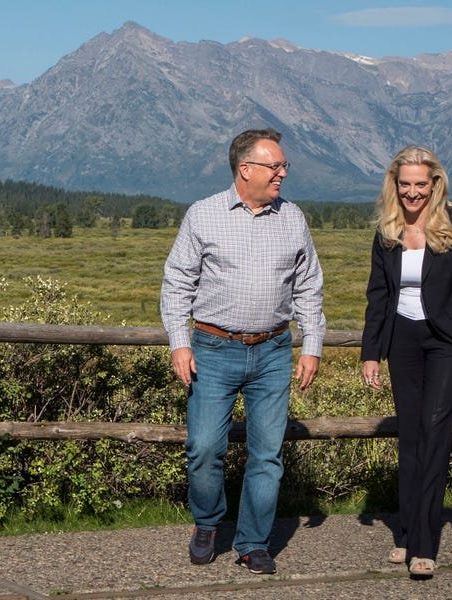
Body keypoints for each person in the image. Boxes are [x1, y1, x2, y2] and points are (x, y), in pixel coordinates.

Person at [160, 128, 325, 575]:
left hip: (273, 350)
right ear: (245, 169)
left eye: (283, 165)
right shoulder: (204, 215)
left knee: (267, 454)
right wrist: (179, 342)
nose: (283, 173)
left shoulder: (294, 218)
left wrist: (311, 345)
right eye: (276, 166)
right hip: (212, 349)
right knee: (204, 448)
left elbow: (308, 285)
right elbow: (177, 282)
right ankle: (208, 522)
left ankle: (253, 542)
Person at [360, 145, 452, 579]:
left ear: (435, 184)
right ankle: (408, 530)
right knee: (410, 436)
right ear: (395, 186)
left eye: (420, 184)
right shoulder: (386, 231)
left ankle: (424, 545)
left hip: (446, 341)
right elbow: (379, 295)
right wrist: (371, 352)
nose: (413, 193)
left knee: (435, 431)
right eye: (405, 185)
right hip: (403, 340)